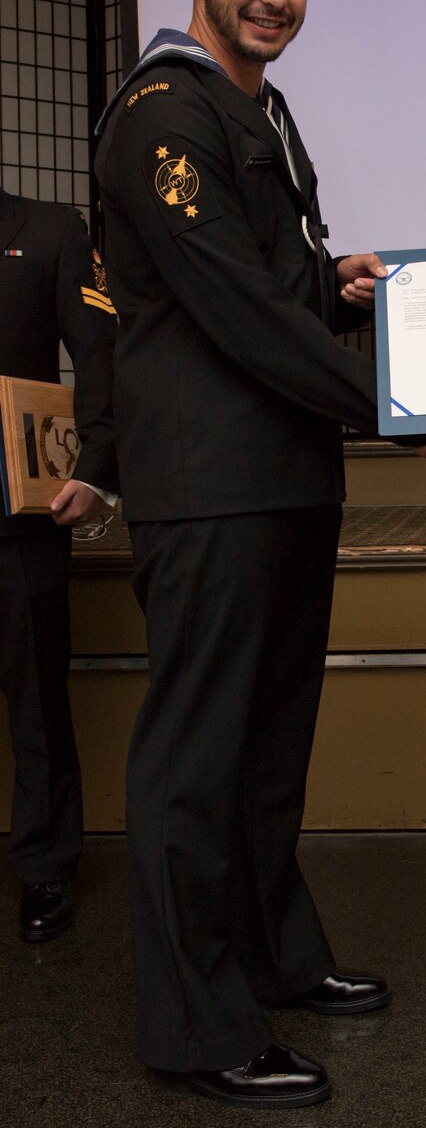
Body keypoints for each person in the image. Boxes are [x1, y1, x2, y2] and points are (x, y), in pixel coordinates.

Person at [94, 0, 426, 1110]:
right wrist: (392, 406)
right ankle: (199, 1025)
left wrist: (330, 283)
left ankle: (270, 957)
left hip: (282, 478)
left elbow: (265, 282)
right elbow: (228, 311)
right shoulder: (160, 114)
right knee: (198, 754)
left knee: (266, 748)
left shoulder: (262, 108)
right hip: (210, 489)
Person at [0, 187, 117, 941]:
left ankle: (45, 868)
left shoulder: (49, 230)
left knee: (38, 693)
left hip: (20, 512)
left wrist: (100, 466)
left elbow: (103, 353)